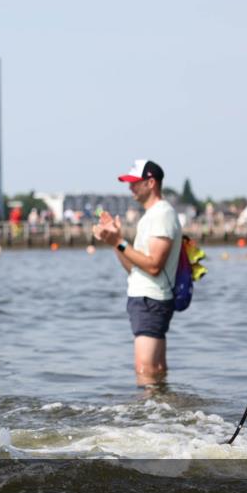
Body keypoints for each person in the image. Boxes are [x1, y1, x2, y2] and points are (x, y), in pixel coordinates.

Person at [92, 160, 182, 385]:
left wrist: (120, 241)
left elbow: (153, 266)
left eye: (135, 183)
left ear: (151, 183)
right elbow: (134, 268)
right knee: (155, 368)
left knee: (145, 369)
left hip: (151, 299)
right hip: (148, 298)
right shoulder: (152, 215)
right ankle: (160, 412)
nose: (130, 188)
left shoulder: (161, 214)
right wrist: (115, 241)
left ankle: (150, 414)